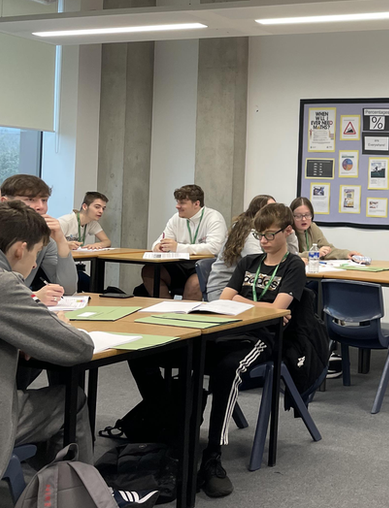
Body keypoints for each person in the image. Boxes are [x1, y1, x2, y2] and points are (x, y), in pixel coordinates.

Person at [128, 203, 305, 498]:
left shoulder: (293, 266)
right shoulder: (249, 262)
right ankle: (174, 430)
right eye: (259, 235)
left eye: (270, 235)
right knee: (145, 353)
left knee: (227, 369)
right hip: (225, 331)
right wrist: (258, 306)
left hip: (260, 337)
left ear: (287, 232)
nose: (263, 241)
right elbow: (224, 300)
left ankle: (212, 456)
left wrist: (250, 304)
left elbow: (276, 311)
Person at [0, 201, 94, 499]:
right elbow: (78, 347)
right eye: (36, 254)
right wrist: (55, 324)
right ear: (20, 250)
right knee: (71, 401)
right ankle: (78, 497)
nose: (35, 265)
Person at [0, 174, 78, 304]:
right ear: (4, 202)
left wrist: (61, 240)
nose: (40, 206)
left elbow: (68, 290)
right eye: (30, 199)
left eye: (44, 200)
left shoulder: (43, 241)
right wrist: (33, 296)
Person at [142, 184, 227, 300]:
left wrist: (178, 247)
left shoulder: (214, 218)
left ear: (196, 204)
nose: (177, 206)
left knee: (194, 283)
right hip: (180, 264)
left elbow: (214, 248)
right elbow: (160, 240)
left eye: (182, 203)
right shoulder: (176, 218)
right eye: (177, 202)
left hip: (205, 265)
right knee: (149, 271)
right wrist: (157, 246)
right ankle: (166, 308)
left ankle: (185, 315)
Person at [204, 194, 294, 301]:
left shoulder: (277, 232)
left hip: (249, 287)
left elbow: (288, 256)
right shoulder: (247, 233)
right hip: (225, 288)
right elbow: (261, 265)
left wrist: (290, 234)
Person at [59, 192, 112, 292]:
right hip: (58, 266)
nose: (101, 211)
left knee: (94, 285)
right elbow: (47, 244)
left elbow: (107, 241)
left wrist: (98, 244)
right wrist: (65, 244)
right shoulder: (66, 221)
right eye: (97, 207)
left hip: (73, 265)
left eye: (103, 208)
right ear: (84, 206)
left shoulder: (92, 223)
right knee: (91, 285)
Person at [289, 197, 361, 262]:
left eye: (307, 215)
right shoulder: (288, 231)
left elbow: (328, 249)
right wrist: (315, 254)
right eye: (298, 216)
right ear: (292, 217)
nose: (304, 219)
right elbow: (290, 256)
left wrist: (346, 254)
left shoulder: (312, 227)